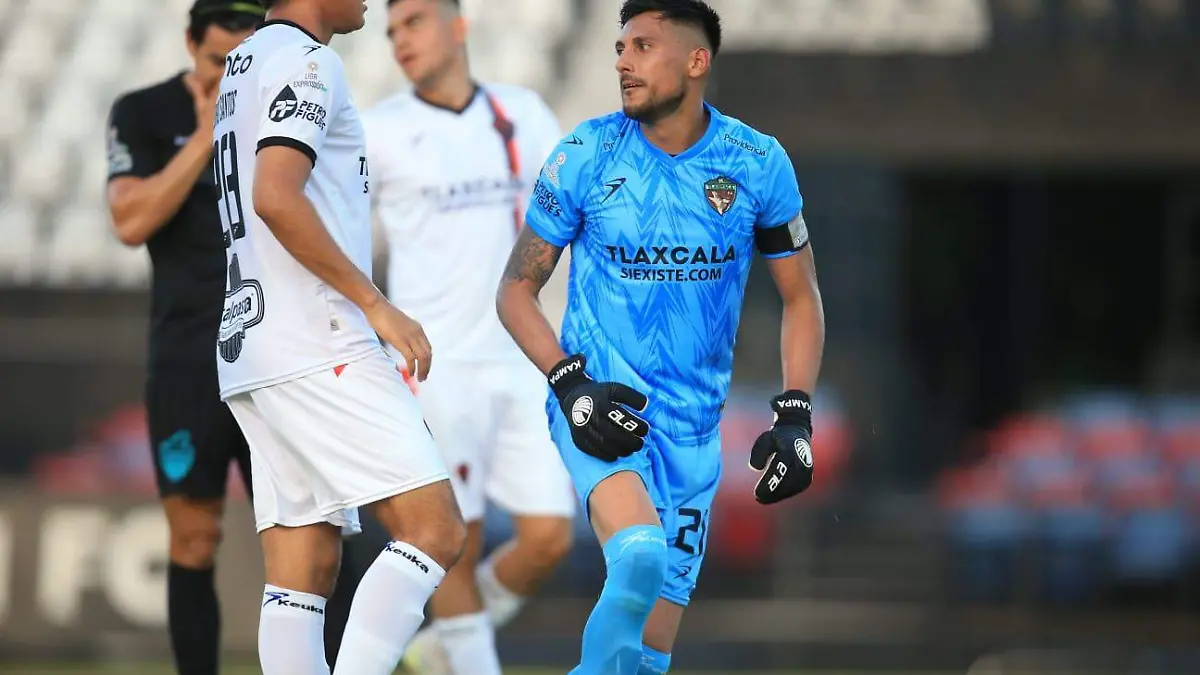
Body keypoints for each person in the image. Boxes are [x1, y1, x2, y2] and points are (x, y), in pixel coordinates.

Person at [496, 0, 826, 673]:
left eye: (643, 46)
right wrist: (571, 386)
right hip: (601, 409)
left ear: (696, 61)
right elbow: (514, 290)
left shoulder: (757, 162)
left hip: (693, 435)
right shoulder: (586, 153)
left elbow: (802, 298)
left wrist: (795, 416)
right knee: (640, 555)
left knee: (646, 660)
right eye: (620, 47)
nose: (623, 60)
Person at [211, 1, 466, 673]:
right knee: (435, 527)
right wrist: (374, 304)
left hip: (252, 343)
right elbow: (275, 194)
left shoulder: (242, 63)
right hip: (316, 337)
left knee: (305, 563)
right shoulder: (308, 61)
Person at [104, 3, 356, 673]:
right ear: (190, 44)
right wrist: (206, 134)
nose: (228, 74)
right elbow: (129, 221)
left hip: (275, 347)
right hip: (188, 357)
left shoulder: (283, 101)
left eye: (237, 60)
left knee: (317, 537)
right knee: (193, 536)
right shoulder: (144, 112)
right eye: (217, 61)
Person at [359, 1, 576, 673]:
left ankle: (441, 648)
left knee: (549, 536)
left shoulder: (523, 113)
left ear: (459, 26)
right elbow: (339, 233)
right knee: (458, 534)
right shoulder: (380, 130)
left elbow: (575, 209)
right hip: (437, 365)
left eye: (415, 22)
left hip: (522, 359)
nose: (401, 39)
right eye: (392, 31)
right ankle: (471, 659)